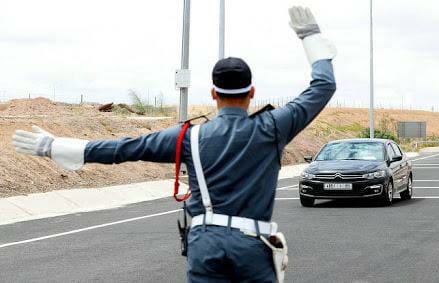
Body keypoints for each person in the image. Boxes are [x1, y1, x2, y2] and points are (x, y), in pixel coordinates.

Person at [11, 6, 336, 282]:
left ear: (212, 93)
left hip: (205, 244)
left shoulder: (188, 136)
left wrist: (55, 146)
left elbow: (126, 149)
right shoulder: (273, 128)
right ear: (252, 93)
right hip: (252, 244)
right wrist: (310, 36)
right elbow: (323, 86)